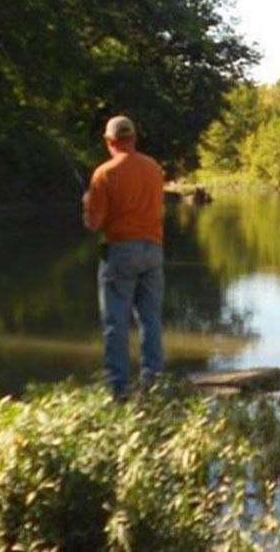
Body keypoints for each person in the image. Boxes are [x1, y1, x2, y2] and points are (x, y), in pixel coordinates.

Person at [82, 115, 165, 400]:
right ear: (134, 138)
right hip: (153, 250)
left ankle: (118, 388)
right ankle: (153, 381)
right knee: (151, 319)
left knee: (116, 322)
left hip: (120, 252)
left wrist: (86, 206)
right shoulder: (154, 168)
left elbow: (94, 224)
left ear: (110, 141)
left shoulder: (104, 174)